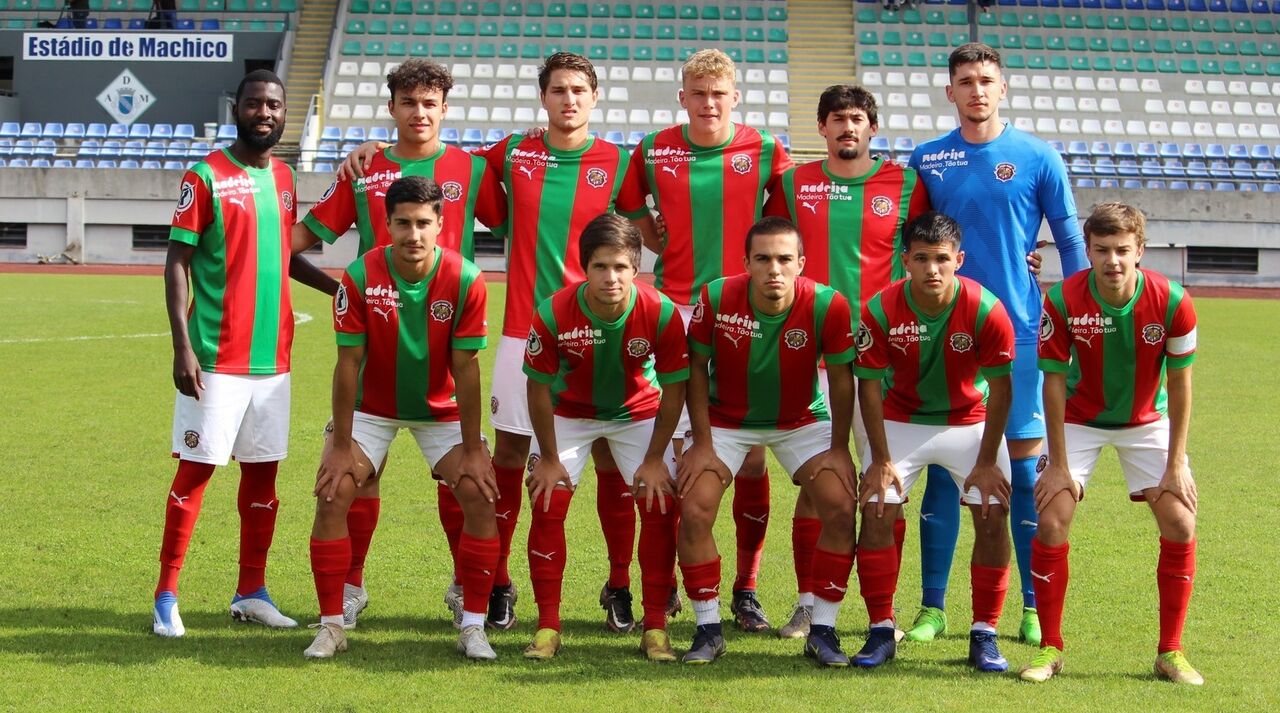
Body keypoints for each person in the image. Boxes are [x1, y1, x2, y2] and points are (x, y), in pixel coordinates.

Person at [298, 58, 507, 632]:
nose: (419, 113)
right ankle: (349, 590)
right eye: (408, 103)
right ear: (392, 108)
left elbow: (523, 217)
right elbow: (298, 240)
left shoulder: (471, 167)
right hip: (377, 345)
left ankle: (467, 590)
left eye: (430, 103)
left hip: (446, 348)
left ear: (445, 109)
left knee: (465, 479)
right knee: (353, 479)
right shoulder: (364, 170)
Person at [906, 42, 1088, 645]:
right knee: (944, 465)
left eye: (986, 80)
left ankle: (1032, 605)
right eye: (965, 81)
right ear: (950, 91)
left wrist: (1079, 307)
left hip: (1023, 333)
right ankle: (933, 607)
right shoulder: (929, 159)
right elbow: (910, 242)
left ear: (1002, 88)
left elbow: (1066, 236)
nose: (976, 90)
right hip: (945, 337)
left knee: (1023, 466)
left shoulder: (1037, 156)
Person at [618, 48, 793, 632]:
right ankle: (664, 583)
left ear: (734, 97)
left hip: (745, 311)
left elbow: (788, 214)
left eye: (719, 93)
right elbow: (626, 207)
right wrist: (654, 236)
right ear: (683, 96)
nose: (709, 102)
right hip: (674, 305)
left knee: (748, 453)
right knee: (673, 453)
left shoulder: (766, 151)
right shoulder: (653, 149)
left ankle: (745, 587)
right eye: (698, 92)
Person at [154, 70, 333, 637]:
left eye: (274, 104)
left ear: (285, 114)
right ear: (238, 108)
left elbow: (283, 254)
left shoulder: (284, 176)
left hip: (273, 363)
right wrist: (183, 346)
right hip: (214, 357)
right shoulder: (204, 174)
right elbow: (177, 260)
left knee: (263, 481)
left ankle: (251, 591)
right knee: (196, 474)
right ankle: (166, 596)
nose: (264, 112)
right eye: (255, 102)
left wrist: (338, 289)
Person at [764, 83, 928, 639]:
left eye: (857, 118)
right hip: (812, 356)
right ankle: (809, 602)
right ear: (822, 128)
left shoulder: (906, 184)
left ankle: (884, 612)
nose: (847, 128)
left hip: (884, 358)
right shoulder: (792, 183)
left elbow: (930, 250)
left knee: (886, 485)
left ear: (872, 128)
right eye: (836, 119)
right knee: (821, 484)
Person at [1022, 203, 1202, 685]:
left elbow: (1181, 384)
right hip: (1079, 419)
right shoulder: (1062, 300)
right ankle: (1050, 648)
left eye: (1123, 250)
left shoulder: (1172, 301)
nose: (1112, 261)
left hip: (1147, 420)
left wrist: (1176, 463)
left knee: (1180, 522)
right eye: (1101, 250)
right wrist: (1058, 464)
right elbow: (1053, 384)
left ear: (1139, 250)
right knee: (1052, 517)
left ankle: (1171, 652)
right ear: (1089, 251)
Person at [677, 217, 857, 666]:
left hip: (800, 420)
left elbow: (841, 381)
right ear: (746, 263)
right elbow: (695, 368)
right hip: (726, 420)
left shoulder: (827, 305)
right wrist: (700, 442)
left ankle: (824, 628)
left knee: (839, 506)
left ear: (801, 263)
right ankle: (708, 628)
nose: (773, 269)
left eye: (783, 259)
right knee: (694, 505)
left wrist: (837, 448)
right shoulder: (716, 297)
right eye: (763, 259)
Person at [851, 212, 1016, 673]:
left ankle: (984, 633)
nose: (932, 269)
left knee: (992, 507)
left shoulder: (986, 309)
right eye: (921, 258)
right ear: (905, 260)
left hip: (970, 420)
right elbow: (867, 386)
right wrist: (880, 459)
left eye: (942, 259)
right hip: (900, 418)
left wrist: (986, 462)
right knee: (878, 505)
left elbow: (1002, 389)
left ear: (958, 260)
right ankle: (881, 629)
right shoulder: (880, 309)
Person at [520, 213, 688, 661]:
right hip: (568, 414)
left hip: (637, 414)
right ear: (583, 267)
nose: (610, 277)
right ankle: (547, 628)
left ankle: (654, 627)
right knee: (547, 497)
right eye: (599, 266)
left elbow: (675, 392)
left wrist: (655, 458)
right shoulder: (554, 311)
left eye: (619, 267)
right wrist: (551, 457)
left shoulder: (661, 312)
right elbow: (537, 390)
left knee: (659, 501)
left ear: (636, 268)